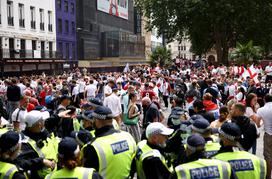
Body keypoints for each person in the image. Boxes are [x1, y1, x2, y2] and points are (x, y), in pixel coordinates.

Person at [82, 106, 136, 179]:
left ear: (97, 120)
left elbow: (88, 175)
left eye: (93, 119)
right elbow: (133, 167)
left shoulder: (93, 147)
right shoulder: (128, 136)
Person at [257, 94, 272, 179]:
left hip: (268, 134)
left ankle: (268, 176)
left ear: (264, 100)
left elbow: (258, 124)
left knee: (268, 156)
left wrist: (263, 123)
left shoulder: (261, 110)